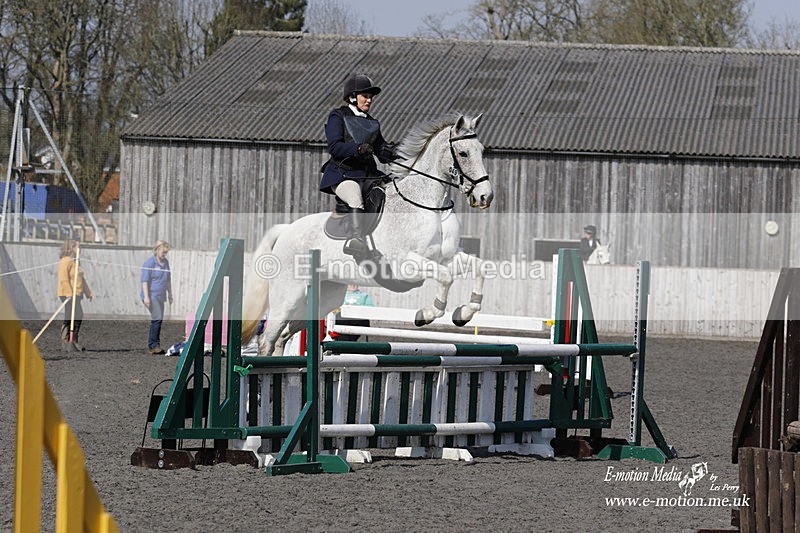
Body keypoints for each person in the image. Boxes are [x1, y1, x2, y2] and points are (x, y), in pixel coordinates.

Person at [319, 74, 400, 258]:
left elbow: (380, 149)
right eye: (366, 96)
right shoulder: (338, 116)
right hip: (343, 174)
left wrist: (392, 152)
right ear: (352, 97)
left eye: (371, 97)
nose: (369, 100)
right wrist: (357, 148)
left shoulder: (372, 123)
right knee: (355, 198)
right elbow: (334, 146)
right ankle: (356, 241)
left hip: (368, 175)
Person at [57, 239, 93, 351]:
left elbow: (81, 278)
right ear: (71, 248)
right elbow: (63, 278)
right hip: (67, 293)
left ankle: (74, 340)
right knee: (70, 315)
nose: (80, 249)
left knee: (78, 315)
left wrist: (88, 293)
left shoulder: (76, 261)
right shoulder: (65, 261)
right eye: (78, 247)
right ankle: (65, 341)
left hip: (77, 294)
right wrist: (68, 293)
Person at [141, 240, 173, 354]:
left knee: (158, 319)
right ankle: (153, 345)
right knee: (157, 318)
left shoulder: (166, 263)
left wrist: (170, 294)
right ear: (157, 250)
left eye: (166, 253)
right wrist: (146, 297)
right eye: (163, 252)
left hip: (161, 296)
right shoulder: (149, 263)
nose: (165, 255)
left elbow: (168, 279)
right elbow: (144, 281)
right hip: (151, 295)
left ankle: (154, 344)